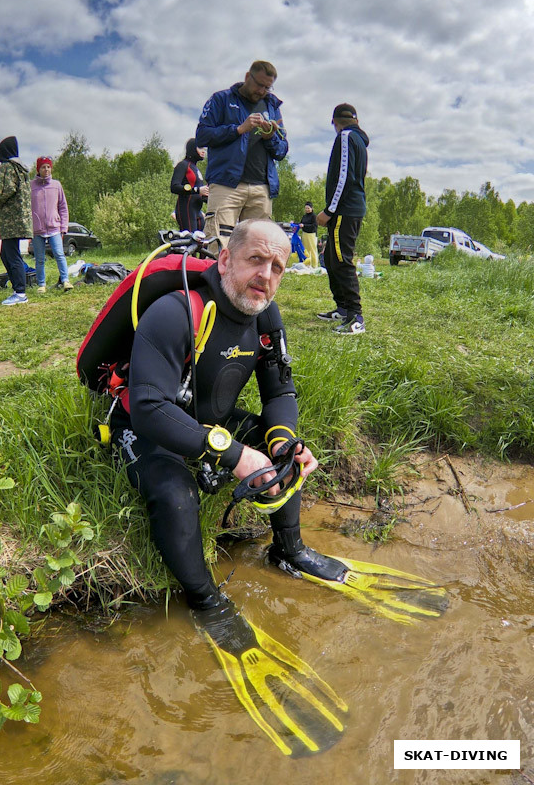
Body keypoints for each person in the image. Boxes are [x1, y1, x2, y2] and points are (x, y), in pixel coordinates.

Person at [90, 218, 446, 753]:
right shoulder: (175, 311)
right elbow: (150, 408)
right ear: (226, 259)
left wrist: (281, 443)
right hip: (142, 425)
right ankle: (208, 602)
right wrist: (233, 455)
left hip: (206, 420)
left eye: (278, 266)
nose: (266, 275)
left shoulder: (265, 317)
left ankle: (291, 550)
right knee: (175, 492)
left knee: (281, 452)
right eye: (256, 260)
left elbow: (281, 390)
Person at [195, 61, 288, 248]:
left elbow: (282, 150)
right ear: (247, 77)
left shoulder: (272, 105)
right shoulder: (221, 99)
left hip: (261, 187)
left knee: (258, 247)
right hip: (226, 185)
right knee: (217, 245)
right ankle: (215, 278)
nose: (262, 91)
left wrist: (270, 137)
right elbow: (201, 136)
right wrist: (238, 129)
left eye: (267, 87)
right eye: (259, 85)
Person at [316, 104, 369, 334]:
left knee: (341, 259)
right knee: (330, 257)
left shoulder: (346, 137)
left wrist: (329, 210)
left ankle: (356, 316)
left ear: (335, 122)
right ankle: (343, 309)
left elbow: (343, 176)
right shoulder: (358, 139)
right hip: (349, 208)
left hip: (344, 210)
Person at [0, 136, 33, 306]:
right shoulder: (21, 169)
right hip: (19, 218)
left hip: (11, 221)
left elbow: (3, 191)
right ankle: (17, 289)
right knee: (6, 254)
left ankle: (20, 293)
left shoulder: (7, 167)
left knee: (12, 256)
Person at [30, 156, 72, 293]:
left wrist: (63, 228)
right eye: (43, 167)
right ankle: (41, 284)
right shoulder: (31, 186)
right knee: (40, 259)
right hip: (37, 230)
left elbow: (63, 207)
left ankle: (65, 280)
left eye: (48, 166)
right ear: (38, 169)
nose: (46, 169)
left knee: (59, 254)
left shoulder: (56, 185)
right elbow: (27, 208)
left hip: (55, 227)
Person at [170, 139, 209, 232]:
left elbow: (199, 192)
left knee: (202, 241)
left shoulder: (196, 169)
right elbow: (174, 186)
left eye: (204, 148)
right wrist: (197, 190)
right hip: (186, 209)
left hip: (197, 211)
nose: (204, 151)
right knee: (190, 242)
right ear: (192, 148)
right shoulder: (183, 165)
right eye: (200, 148)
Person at [298, 202, 319, 268]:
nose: (307, 209)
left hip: (311, 234)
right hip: (305, 234)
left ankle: (314, 265)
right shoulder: (304, 216)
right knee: (305, 250)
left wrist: (304, 226)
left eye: (308, 208)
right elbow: (300, 223)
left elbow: (314, 226)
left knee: (312, 250)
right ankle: (307, 264)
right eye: (306, 208)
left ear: (311, 208)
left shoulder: (314, 216)